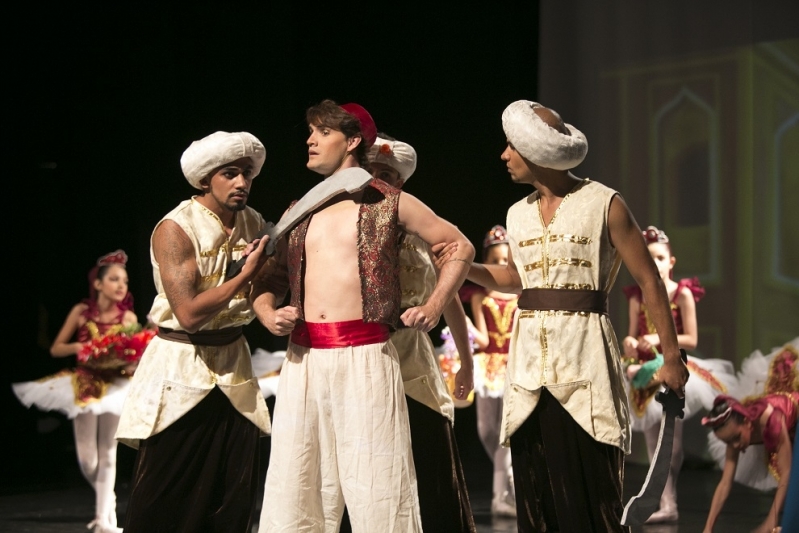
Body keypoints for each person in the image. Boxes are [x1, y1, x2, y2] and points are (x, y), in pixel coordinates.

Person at [436, 100, 689, 532]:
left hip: (585, 356)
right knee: (536, 489)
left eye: (511, 146)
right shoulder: (517, 214)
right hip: (530, 361)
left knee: (592, 485)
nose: (504, 155)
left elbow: (648, 280)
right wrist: (465, 266)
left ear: (536, 153)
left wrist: (670, 357)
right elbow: (517, 277)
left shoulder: (604, 203)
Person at [252, 100, 475, 533]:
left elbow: (459, 246)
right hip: (304, 359)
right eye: (310, 132)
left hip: (365, 357)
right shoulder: (300, 209)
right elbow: (271, 277)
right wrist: (265, 311)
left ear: (352, 141)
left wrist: (432, 306)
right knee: (298, 482)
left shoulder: (390, 202)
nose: (310, 140)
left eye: (322, 132)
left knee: (378, 483)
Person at [115, 131, 273, 532]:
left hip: (233, 365)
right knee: (167, 492)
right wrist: (246, 277)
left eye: (248, 175)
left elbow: (263, 287)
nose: (242, 183)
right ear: (206, 179)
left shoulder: (252, 221)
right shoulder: (176, 228)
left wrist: (271, 303)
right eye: (230, 174)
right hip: (183, 366)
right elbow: (187, 314)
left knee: (231, 493)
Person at [362, 133, 477, 532]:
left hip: (415, 361)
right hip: (365, 355)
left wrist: (466, 362)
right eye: (371, 171)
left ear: (400, 184)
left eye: (387, 174)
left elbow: (451, 300)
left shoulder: (421, 230)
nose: (378, 179)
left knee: (430, 455)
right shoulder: (345, 224)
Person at [13, 250, 142, 533]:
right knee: (88, 459)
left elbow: (133, 354)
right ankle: (107, 498)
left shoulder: (128, 316)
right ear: (98, 284)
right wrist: (82, 348)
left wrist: (128, 360)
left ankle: (104, 520)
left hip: (115, 386)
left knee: (109, 453)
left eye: (125, 281)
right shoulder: (81, 313)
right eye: (115, 279)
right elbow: (57, 347)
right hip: (85, 384)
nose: (122, 286)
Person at [620, 225, 736, 523]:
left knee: (672, 442)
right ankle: (666, 503)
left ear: (671, 262)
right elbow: (632, 338)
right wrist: (631, 343)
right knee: (652, 440)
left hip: (672, 367)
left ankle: (669, 501)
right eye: (649, 257)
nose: (655, 263)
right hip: (645, 373)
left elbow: (691, 339)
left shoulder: (681, 293)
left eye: (659, 257)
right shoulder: (637, 296)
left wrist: (660, 340)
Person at [702, 339, 798, 533]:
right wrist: (708, 528)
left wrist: (770, 521)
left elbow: (788, 473)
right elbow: (724, 483)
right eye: (729, 442)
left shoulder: (772, 422)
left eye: (736, 438)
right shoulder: (734, 429)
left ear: (747, 423)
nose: (735, 446)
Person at [469, 224, 519, 517]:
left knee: (505, 432)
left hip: (512, 368)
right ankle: (511, 481)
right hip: (488, 368)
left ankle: (500, 495)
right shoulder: (480, 299)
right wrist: (465, 331)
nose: (501, 265)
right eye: (496, 261)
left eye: (506, 261)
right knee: (486, 429)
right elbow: (485, 339)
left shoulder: (521, 299)